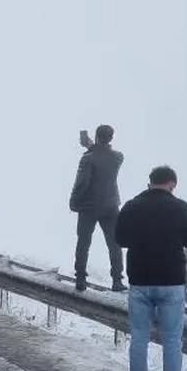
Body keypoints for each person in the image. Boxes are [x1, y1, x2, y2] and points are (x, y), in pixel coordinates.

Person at [114, 165, 187, 371]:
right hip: (171, 281)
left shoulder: (132, 206)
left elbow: (119, 239)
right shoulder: (181, 207)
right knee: (172, 338)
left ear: (149, 182)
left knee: (139, 335)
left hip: (140, 279)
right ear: (172, 184)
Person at [70, 125, 126, 292]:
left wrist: (73, 202)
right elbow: (103, 154)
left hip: (89, 205)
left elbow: (82, 182)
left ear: (96, 136)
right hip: (110, 205)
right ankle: (117, 280)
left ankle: (80, 279)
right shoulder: (118, 157)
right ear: (111, 138)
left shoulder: (88, 158)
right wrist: (91, 146)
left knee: (84, 242)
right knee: (114, 244)